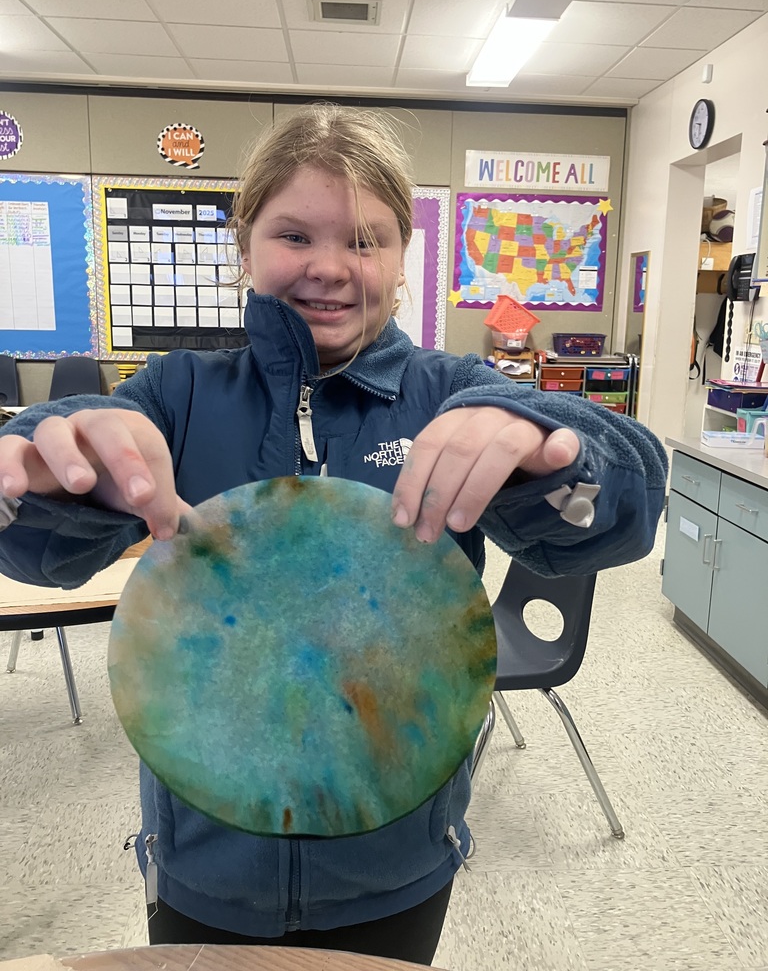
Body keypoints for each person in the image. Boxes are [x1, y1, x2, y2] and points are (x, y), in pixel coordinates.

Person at [0, 104, 667, 965]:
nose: (330, 267)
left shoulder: (452, 395)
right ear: (245, 246)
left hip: (396, 857)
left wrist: (552, 451)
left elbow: (628, 503)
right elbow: (40, 546)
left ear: (400, 259)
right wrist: (49, 457)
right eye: (293, 235)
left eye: (364, 239)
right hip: (207, 862)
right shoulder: (178, 395)